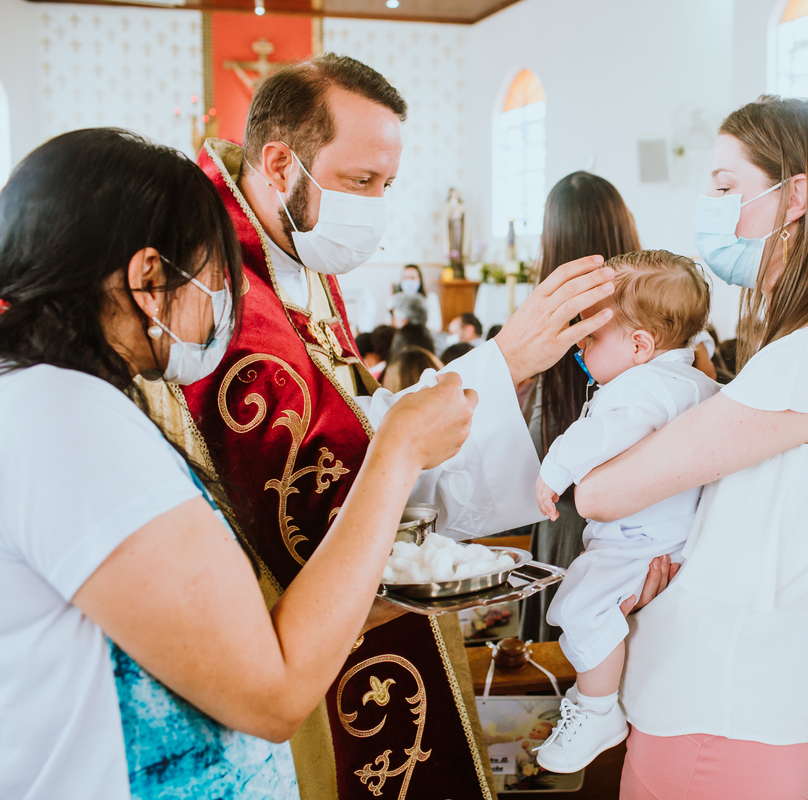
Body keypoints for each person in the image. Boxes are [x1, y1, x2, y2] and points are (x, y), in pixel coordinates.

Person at [140, 54, 617, 800]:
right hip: (283, 660)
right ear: (278, 162)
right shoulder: (221, 292)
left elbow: (355, 426)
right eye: (362, 182)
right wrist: (499, 363)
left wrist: (503, 372)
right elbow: (323, 497)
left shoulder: (295, 253)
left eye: (386, 185)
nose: (376, 204)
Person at [0, 129, 475, 799]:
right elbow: (274, 693)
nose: (226, 302)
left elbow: (216, 626)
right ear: (147, 279)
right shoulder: (67, 417)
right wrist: (395, 453)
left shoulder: (49, 399)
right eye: (215, 276)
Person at [574, 96, 808, 800]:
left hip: (722, 700)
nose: (710, 205)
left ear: (795, 197)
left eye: (727, 187)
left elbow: (601, 491)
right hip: (730, 696)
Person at [531, 251, 719, 773]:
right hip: (666, 540)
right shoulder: (699, 385)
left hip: (636, 543)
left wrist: (552, 471)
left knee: (579, 609)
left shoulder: (641, 387)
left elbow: (597, 434)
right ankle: (596, 699)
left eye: (592, 338)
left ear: (640, 345)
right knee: (590, 610)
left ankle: (595, 709)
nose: (581, 347)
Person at [522, 170, 643, 644]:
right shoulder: (669, 333)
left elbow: (528, 456)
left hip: (564, 539)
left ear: (552, 249)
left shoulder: (543, 342)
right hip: (644, 545)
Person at [392, 262, 441, 331]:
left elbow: (435, 326)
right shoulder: (394, 300)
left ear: (420, 279)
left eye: (412, 277)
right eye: (405, 278)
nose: (409, 281)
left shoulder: (430, 298)